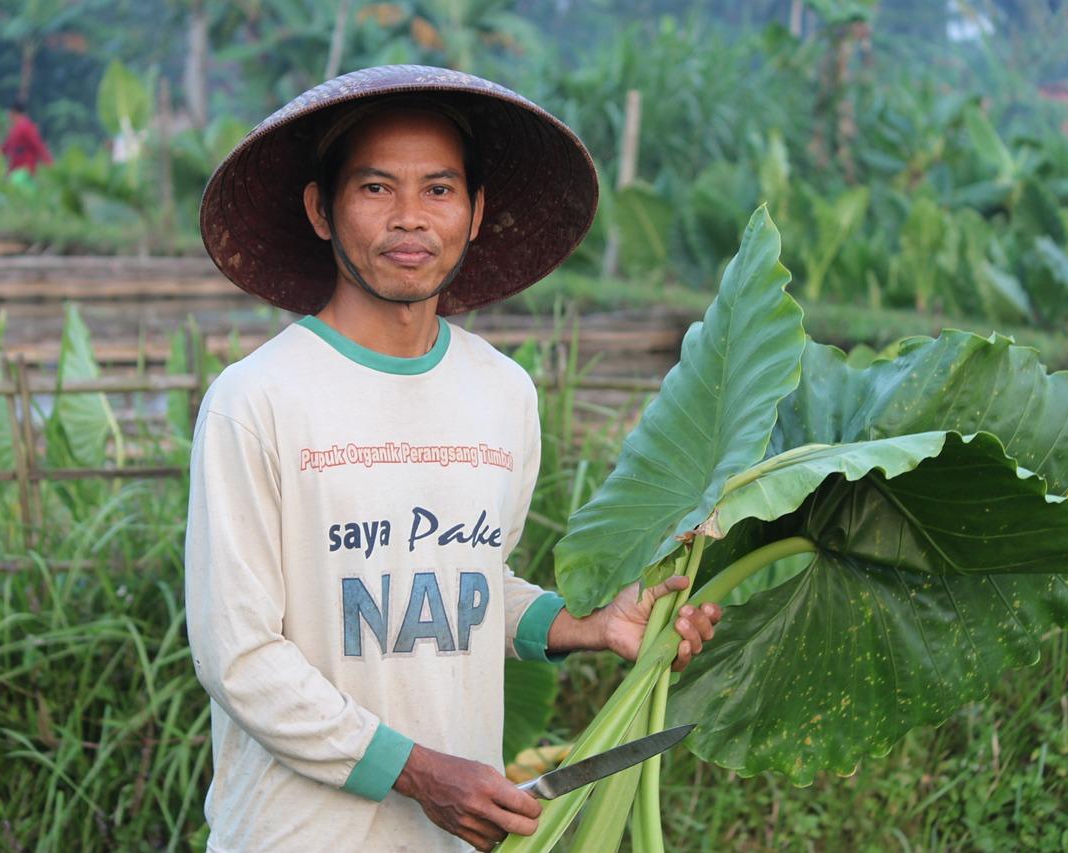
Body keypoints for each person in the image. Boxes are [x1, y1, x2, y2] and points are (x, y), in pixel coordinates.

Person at [187, 65, 722, 853]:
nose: (410, 218)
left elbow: (467, 577)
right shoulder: (259, 399)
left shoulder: (500, 394)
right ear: (320, 209)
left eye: (438, 190)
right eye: (375, 189)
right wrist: (420, 772)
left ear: (474, 213)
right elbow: (241, 659)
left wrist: (592, 622)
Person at [0, 98, 52, 174]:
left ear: (14, 113)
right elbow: (5, 147)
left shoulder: (27, 127)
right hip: (14, 171)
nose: (9, 116)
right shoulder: (14, 129)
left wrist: (49, 163)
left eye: (10, 113)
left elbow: (38, 146)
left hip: (25, 171)